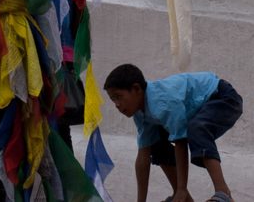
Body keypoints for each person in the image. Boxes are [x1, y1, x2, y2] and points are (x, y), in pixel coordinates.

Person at [102, 63, 244, 202]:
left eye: (119, 96)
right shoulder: (140, 114)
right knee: (156, 142)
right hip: (200, 109)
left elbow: (180, 142)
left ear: (136, 89)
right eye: (112, 99)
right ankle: (184, 198)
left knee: (197, 128)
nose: (117, 105)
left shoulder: (164, 102)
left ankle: (223, 194)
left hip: (222, 96)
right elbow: (143, 156)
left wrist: (182, 188)